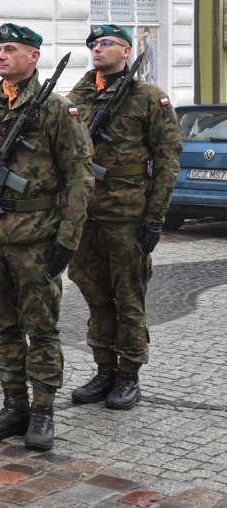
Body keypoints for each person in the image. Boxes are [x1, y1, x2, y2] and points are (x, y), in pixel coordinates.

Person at [0, 23, 94, 450]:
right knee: (2, 326)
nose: (3, 55)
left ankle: (43, 411)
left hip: (36, 238)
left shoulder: (55, 110)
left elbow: (80, 178)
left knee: (41, 328)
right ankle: (14, 405)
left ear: (34, 57)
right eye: (0, 49)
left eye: (12, 49)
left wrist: (67, 239)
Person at [66, 24, 182, 410]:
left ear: (126, 51)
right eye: (92, 43)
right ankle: (104, 370)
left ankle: (129, 374)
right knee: (94, 293)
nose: (96, 48)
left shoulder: (149, 97)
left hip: (128, 213)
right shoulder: (77, 95)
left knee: (128, 295)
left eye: (105, 43)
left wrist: (155, 218)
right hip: (85, 214)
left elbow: (167, 161)